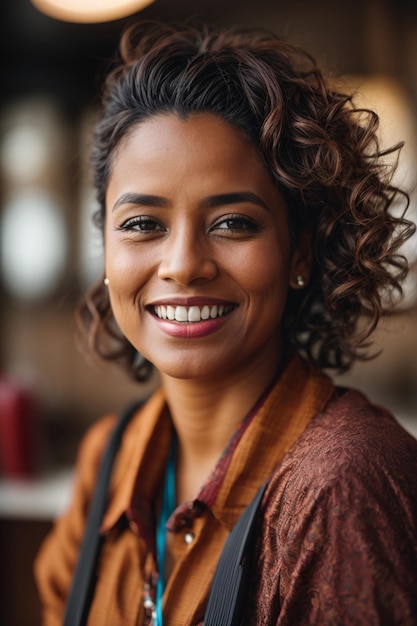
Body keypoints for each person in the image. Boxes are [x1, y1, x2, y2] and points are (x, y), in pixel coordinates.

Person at [34, 19, 417, 626]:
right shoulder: (108, 461)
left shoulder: (341, 487)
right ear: (105, 249)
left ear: (299, 252)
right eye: (142, 224)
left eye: (234, 222)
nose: (183, 265)